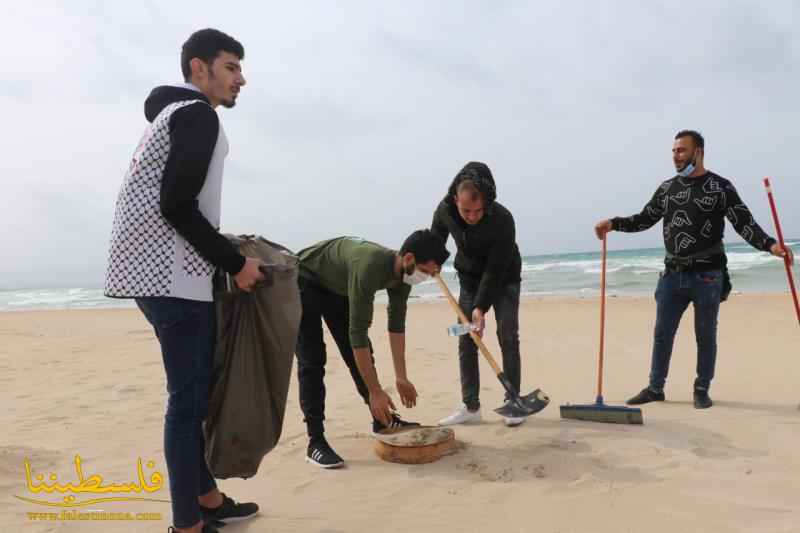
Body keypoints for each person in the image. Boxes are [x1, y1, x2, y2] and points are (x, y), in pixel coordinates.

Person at [104, 29, 262, 533]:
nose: (241, 78)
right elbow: (176, 204)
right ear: (200, 68)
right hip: (172, 278)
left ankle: (207, 501)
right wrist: (234, 263)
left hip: (153, 275)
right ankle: (187, 524)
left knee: (191, 396)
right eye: (231, 67)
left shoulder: (174, 115)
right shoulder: (197, 116)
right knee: (187, 403)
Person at [594, 130, 794, 409]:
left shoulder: (720, 187)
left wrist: (772, 245)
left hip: (708, 275)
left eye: (682, 150)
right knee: (662, 333)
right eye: (674, 151)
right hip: (672, 274)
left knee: (705, 335)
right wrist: (613, 223)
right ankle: (655, 388)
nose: (676, 156)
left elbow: (744, 223)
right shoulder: (667, 188)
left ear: (698, 152)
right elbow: (644, 219)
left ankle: (701, 389)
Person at [296, 230, 449, 468]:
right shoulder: (369, 267)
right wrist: (375, 390)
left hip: (335, 285)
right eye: (426, 271)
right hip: (304, 278)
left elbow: (396, 327)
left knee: (356, 352)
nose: (426, 277)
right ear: (408, 258)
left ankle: (382, 421)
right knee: (313, 359)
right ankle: (315, 442)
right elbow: (357, 333)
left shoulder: (404, 277)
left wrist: (401, 377)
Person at [431, 162, 527, 427]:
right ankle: (471, 407)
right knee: (466, 338)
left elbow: (496, 268)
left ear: (486, 202)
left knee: (507, 335)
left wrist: (480, 307)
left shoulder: (503, 220)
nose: (472, 216)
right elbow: (436, 236)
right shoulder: (445, 210)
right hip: (469, 279)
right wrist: (432, 259)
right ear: (455, 200)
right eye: (466, 210)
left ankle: (513, 402)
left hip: (504, 276)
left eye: (477, 210)